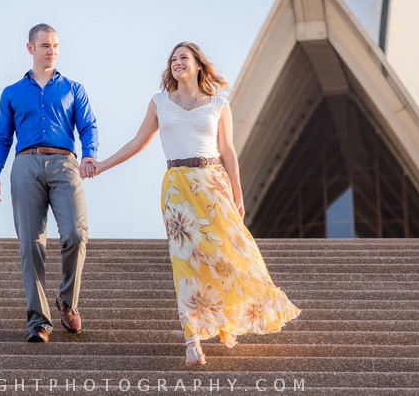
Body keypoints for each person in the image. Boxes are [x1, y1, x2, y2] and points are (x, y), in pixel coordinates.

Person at [85, 42, 300, 365]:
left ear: (199, 65)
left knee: (229, 252)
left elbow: (228, 151)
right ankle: (192, 339)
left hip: (212, 182)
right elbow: (138, 143)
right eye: (172, 59)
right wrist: (101, 166)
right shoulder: (160, 103)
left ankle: (235, 310)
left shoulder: (218, 105)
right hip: (177, 186)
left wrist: (238, 194)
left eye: (183, 58)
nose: (176, 63)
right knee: (185, 259)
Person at [0, 23, 98, 343]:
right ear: (30, 48)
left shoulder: (74, 89)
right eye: (46, 45)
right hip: (25, 164)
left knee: (76, 234)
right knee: (30, 245)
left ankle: (68, 301)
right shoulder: (11, 93)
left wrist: (89, 154)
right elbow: (1, 137)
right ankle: (39, 321)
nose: (52, 51)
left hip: (65, 163)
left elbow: (89, 126)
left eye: (56, 46)